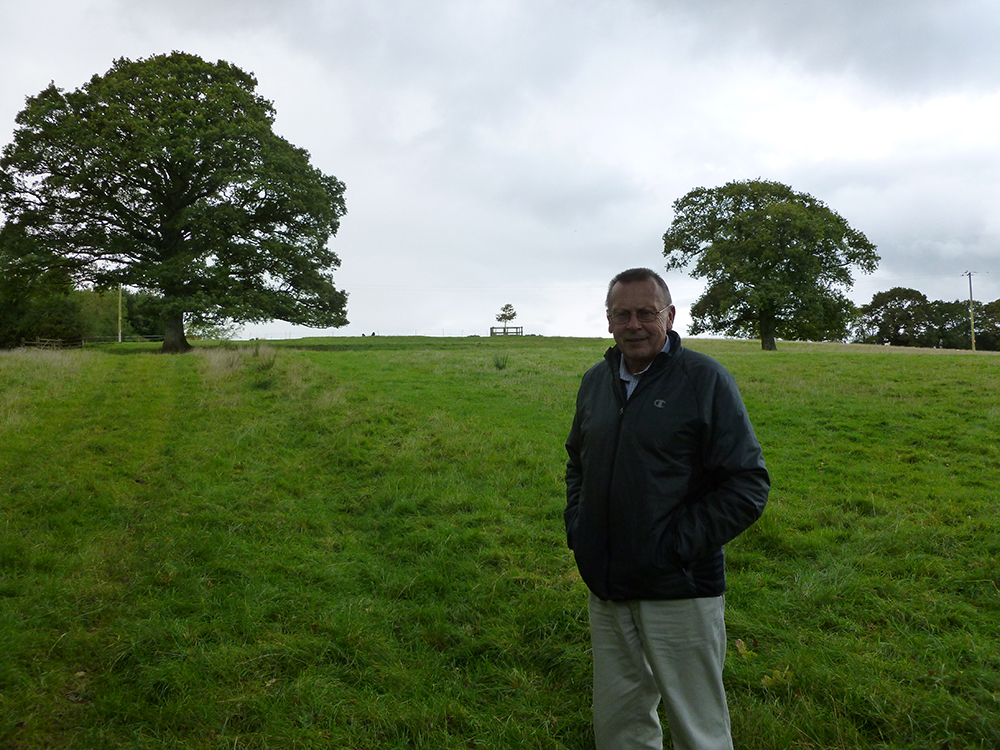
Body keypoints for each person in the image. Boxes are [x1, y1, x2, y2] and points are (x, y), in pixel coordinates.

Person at [564, 267, 769, 750]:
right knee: (620, 723)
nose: (634, 324)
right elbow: (578, 463)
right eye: (622, 314)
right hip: (609, 585)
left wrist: (674, 547)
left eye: (646, 313)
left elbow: (747, 483)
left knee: (698, 728)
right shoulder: (596, 381)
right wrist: (581, 528)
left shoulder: (705, 380)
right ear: (608, 320)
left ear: (670, 316)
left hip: (680, 588)